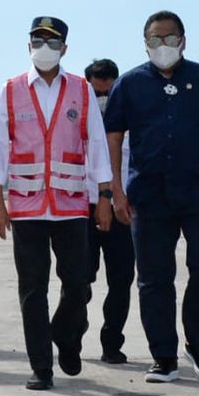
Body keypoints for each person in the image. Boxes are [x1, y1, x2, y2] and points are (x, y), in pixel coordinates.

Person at [104, 10, 199, 384]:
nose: (162, 45)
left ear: (183, 40)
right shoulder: (129, 84)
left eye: (169, 38)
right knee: (153, 277)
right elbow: (113, 138)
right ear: (145, 43)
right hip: (148, 195)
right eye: (154, 39)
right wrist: (115, 189)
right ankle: (163, 356)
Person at [0, 17, 113, 390]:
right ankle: (41, 366)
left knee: (78, 283)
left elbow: (96, 144)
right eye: (37, 40)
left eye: (52, 41)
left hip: (72, 203)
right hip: (26, 206)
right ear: (28, 46)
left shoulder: (80, 89)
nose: (44, 47)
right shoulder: (10, 90)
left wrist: (103, 196)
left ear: (64, 48)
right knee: (32, 288)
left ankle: (66, 335)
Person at [83, 58, 135, 364]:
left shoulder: (132, 123)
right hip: (83, 209)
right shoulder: (73, 120)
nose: (102, 99)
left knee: (121, 280)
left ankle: (112, 342)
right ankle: (74, 330)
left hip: (122, 211)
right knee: (79, 280)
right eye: (96, 93)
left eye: (108, 92)